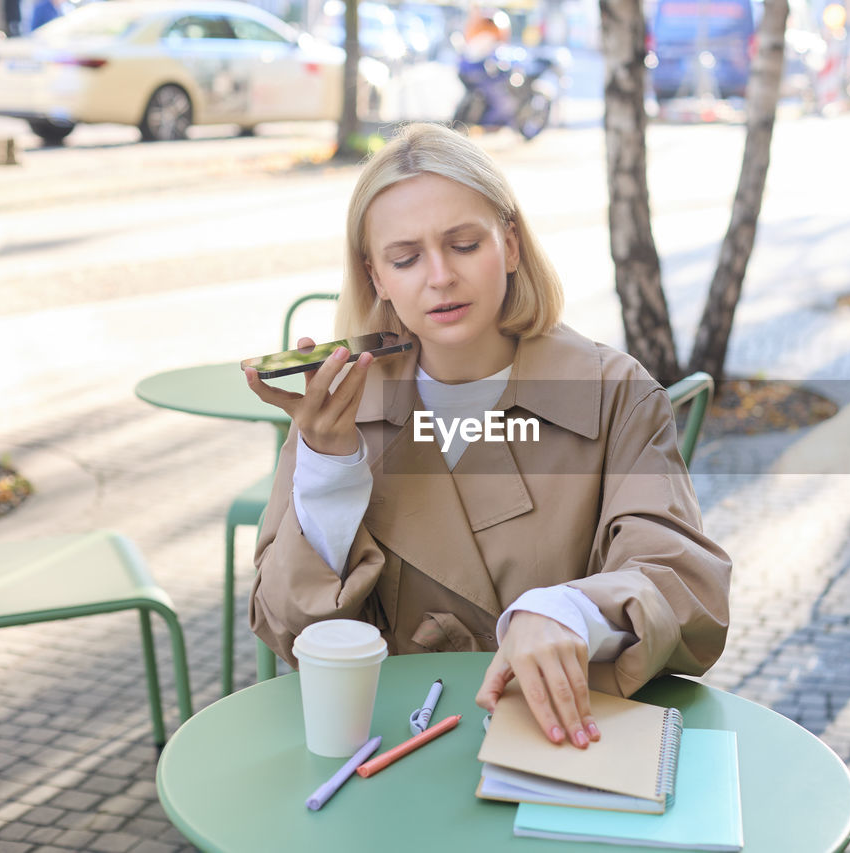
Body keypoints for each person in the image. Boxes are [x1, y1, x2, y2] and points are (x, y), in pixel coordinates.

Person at [246, 123, 730, 750]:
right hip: (392, 748)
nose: (440, 276)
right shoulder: (338, 406)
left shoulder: (615, 393)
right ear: (376, 278)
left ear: (510, 243)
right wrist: (327, 466)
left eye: (464, 244)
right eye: (405, 258)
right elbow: (290, 632)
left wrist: (568, 612)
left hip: (565, 745)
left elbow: (686, 591)